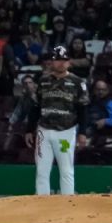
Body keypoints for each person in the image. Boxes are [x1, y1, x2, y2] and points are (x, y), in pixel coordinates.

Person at [25, 46, 89, 195]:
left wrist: (83, 133)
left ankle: (67, 205)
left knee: (66, 170)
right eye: (57, 60)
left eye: (64, 60)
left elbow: (83, 108)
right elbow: (35, 106)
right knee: (42, 170)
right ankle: (42, 204)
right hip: (44, 131)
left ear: (69, 62)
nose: (60, 63)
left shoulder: (77, 82)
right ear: (52, 62)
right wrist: (29, 129)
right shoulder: (43, 81)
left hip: (66, 131)